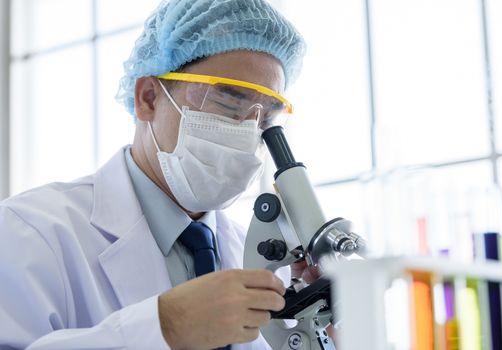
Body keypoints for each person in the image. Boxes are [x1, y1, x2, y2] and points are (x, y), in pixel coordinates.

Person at [0, 0, 313, 349]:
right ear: (148, 97)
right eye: (227, 104)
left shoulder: (261, 260)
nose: (247, 132)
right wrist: (167, 327)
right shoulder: (28, 232)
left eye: (266, 120)